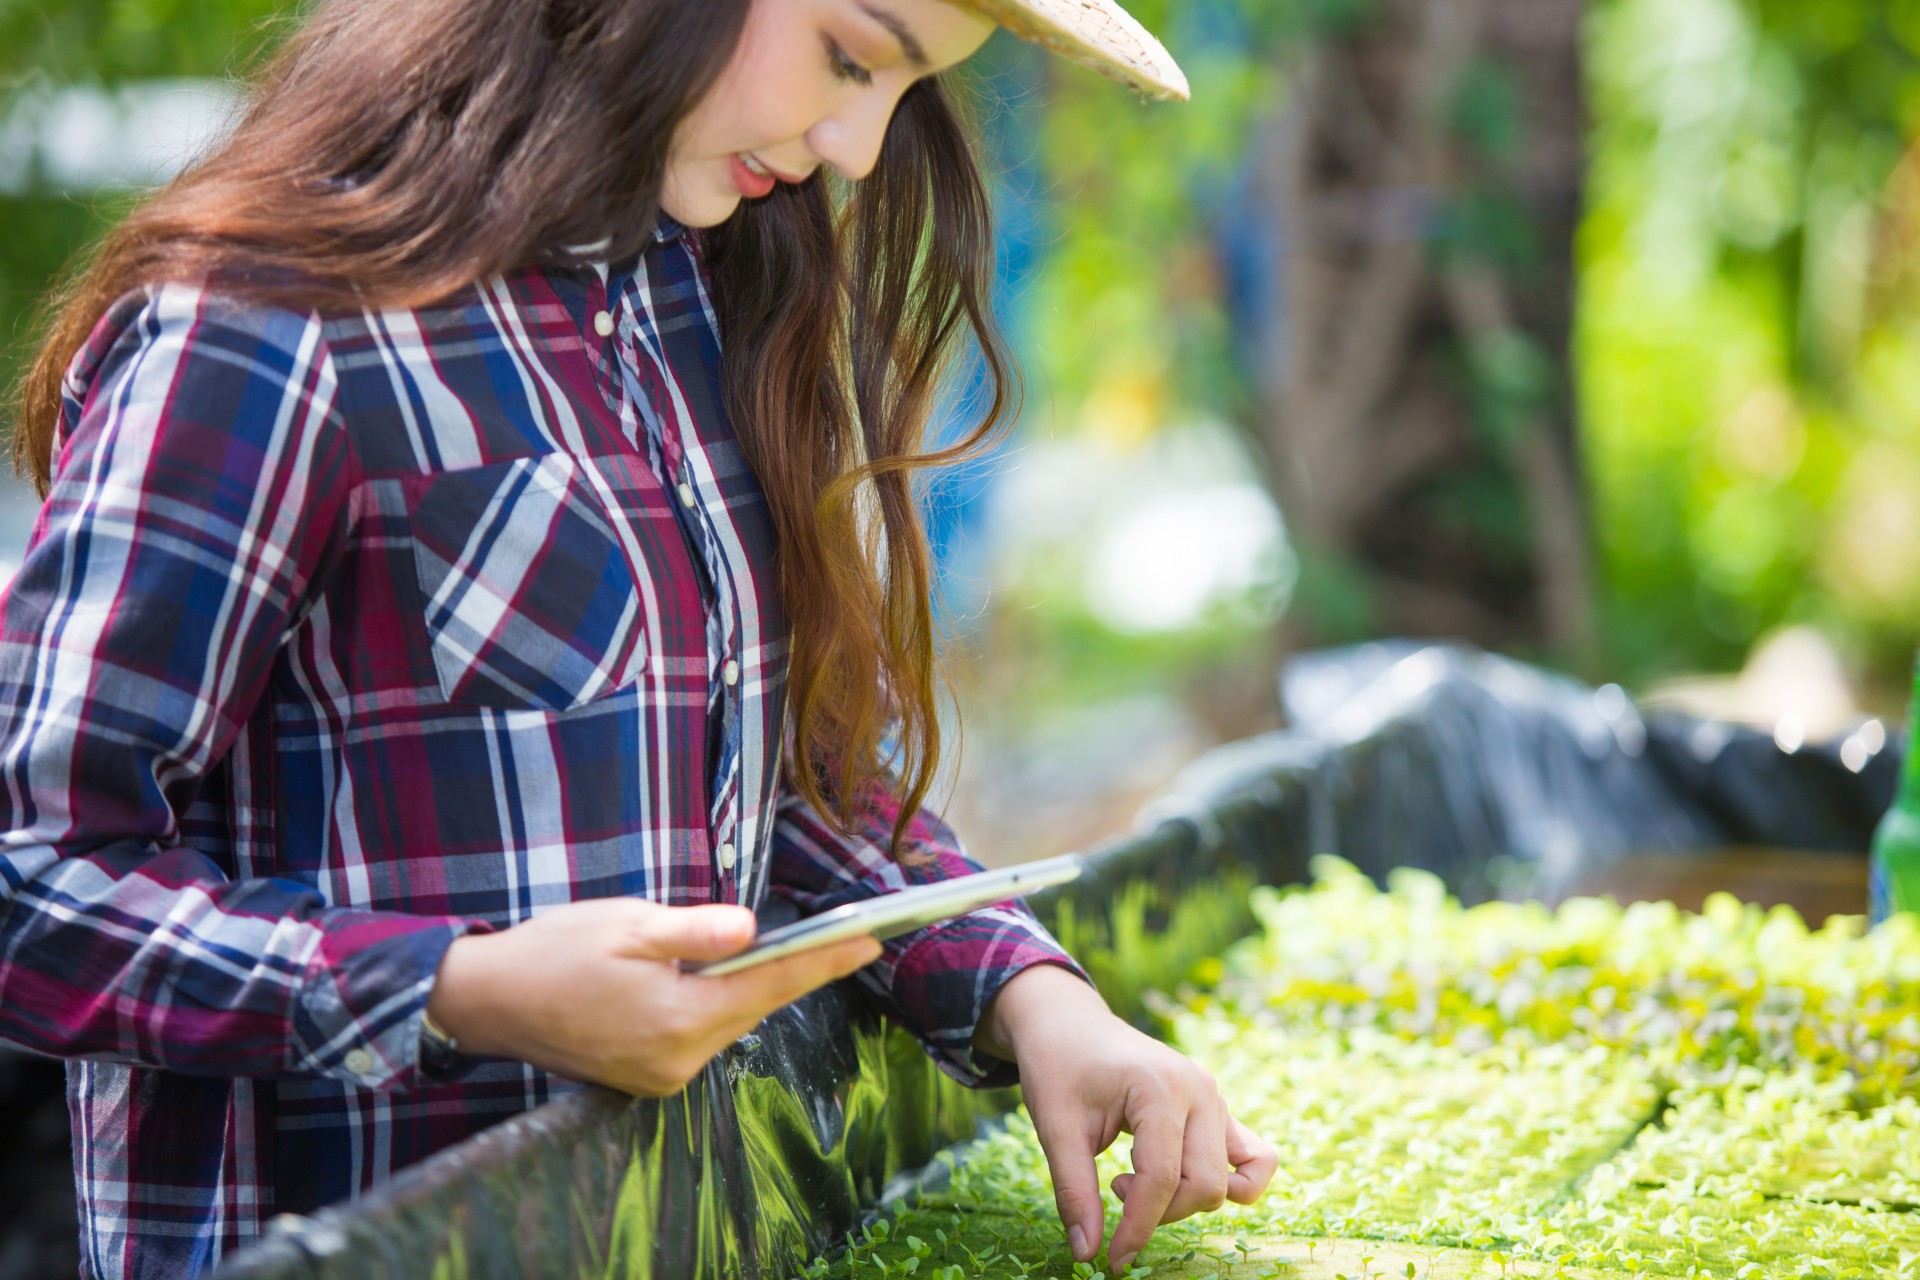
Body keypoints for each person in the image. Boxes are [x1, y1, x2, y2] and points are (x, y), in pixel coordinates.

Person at [0, 1, 1277, 1276]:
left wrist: (1031, 995)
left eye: (907, 93)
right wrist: (458, 987)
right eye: (849, 57)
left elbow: (766, 788)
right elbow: (36, 873)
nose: (860, 149)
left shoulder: (691, 296)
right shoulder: (265, 328)